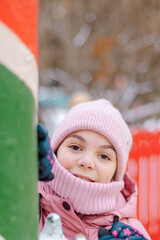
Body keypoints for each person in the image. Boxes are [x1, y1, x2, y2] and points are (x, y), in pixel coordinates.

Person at [38, 99, 151, 240]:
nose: (86, 162)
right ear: (55, 150)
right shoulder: (25, 200)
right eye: (75, 147)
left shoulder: (130, 232)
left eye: (104, 156)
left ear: (116, 172)